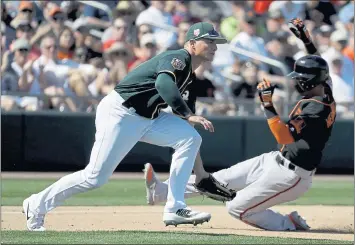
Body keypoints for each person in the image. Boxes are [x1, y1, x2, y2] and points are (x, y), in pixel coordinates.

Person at [22, 22, 228, 231]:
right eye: (209, 41)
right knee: (94, 177)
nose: (214, 46)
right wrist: (188, 114)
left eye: (215, 42)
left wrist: (201, 173)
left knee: (190, 138)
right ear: (192, 44)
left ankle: (175, 207)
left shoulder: (191, 78)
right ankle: (36, 204)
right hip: (120, 113)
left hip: (148, 118)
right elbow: (163, 84)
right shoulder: (178, 58)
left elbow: (188, 124)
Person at [143, 18, 336, 231]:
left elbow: (283, 137)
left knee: (236, 207)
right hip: (276, 160)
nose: (296, 81)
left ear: (310, 82)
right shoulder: (325, 88)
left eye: (300, 78)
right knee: (216, 179)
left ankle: (287, 223)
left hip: (293, 175)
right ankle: (160, 192)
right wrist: (306, 39)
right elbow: (318, 62)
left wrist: (268, 106)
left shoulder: (316, 110)